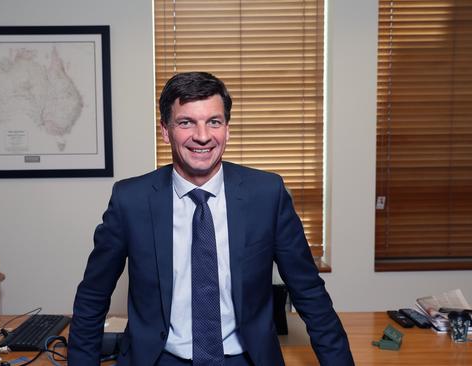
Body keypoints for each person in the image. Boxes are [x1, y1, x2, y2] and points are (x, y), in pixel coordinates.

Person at [68, 72, 354, 366]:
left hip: (245, 359)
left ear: (227, 129)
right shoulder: (131, 200)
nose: (202, 136)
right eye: (186, 122)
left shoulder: (267, 194)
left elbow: (309, 293)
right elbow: (93, 296)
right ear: (165, 130)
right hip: (159, 359)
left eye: (213, 122)